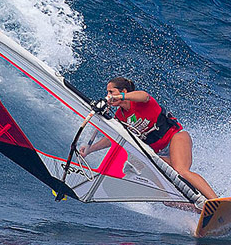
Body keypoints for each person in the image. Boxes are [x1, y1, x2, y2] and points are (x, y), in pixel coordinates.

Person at [79, 77, 219, 200]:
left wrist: (120, 97)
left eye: (111, 92)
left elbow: (144, 95)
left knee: (181, 170)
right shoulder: (120, 118)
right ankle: (202, 211)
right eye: (107, 93)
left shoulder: (140, 102)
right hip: (158, 155)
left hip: (175, 138)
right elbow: (110, 140)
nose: (108, 96)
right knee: (167, 197)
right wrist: (90, 149)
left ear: (124, 91)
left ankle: (216, 200)